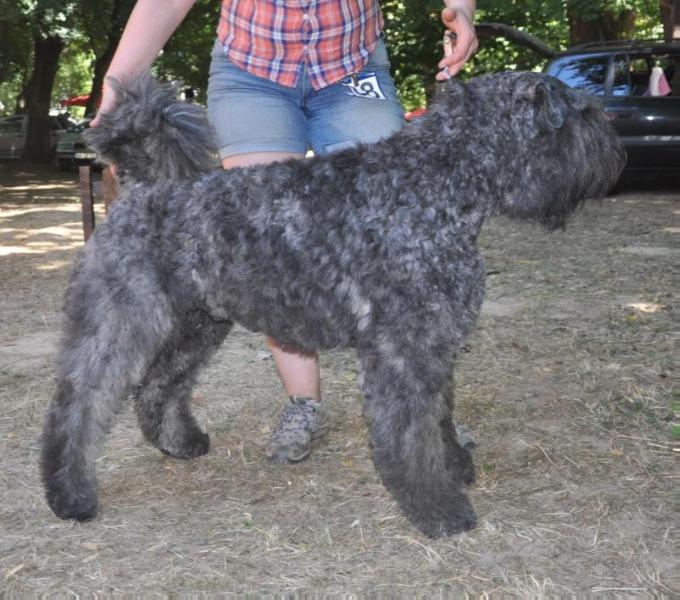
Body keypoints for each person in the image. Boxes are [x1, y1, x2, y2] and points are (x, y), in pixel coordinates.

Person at [93, 0, 478, 464]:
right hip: (251, 72)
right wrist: (116, 87)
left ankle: (423, 411)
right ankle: (303, 404)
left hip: (352, 67)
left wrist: (463, 9)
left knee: (399, 238)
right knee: (264, 249)